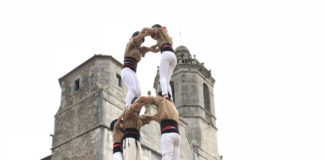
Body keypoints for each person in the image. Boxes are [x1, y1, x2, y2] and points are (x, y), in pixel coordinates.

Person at [131, 92, 180, 160]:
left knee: (166, 156)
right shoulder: (174, 108)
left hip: (167, 133)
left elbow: (144, 98)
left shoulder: (162, 101)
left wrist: (132, 106)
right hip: (176, 136)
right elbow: (154, 117)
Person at [141, 24, 177, 101]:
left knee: (162, 77)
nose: (154, 38)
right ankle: (171, 98)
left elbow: (144, 28)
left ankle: (165, 94)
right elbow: (155, 50)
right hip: (173, 57)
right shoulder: (166, 36)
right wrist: (148, 49)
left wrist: (140, 36)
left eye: (153, 36)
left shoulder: (159, 30)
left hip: (166, 54)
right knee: (167, 80)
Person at [121, 31, 153, 106]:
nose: (140, 44)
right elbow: (138, 37)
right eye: (139, 41)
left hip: (133, 72)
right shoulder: (130, 44)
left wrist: (161, 42)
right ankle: (127, 107)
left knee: (138, 93)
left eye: (141, 43)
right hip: (127, 70)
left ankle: (134, 108)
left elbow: (153, 49)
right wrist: (149, 33)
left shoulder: (139, 50)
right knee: (132, 89)